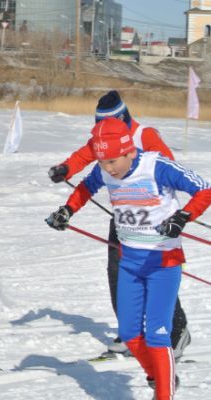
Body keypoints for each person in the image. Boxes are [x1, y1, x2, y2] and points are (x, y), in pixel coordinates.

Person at [46, 117, 211, 399]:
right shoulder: (106, 170)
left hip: (163, 262)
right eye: (101, 162)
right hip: (130, 263)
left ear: (129, 151)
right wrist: (67, 211)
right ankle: (157, 375)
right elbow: (86, 187)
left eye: (112, 162)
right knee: (131, 333)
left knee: (158, 335)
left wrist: (182, 217)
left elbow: (204, 189)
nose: (107, 169)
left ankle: (164, 389)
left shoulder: (157, 166)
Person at [47, 90, 191, 361]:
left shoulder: (145, 135)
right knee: (118, 274)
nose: (102, 131)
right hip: (124, 217)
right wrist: (65, 169)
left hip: (152, 220)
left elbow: (170, 168)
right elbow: (85, 155)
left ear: (122, 118)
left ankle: (176, 332)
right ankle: (131, 332)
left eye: (107, 124)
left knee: (156, 275)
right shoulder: (106, 137)